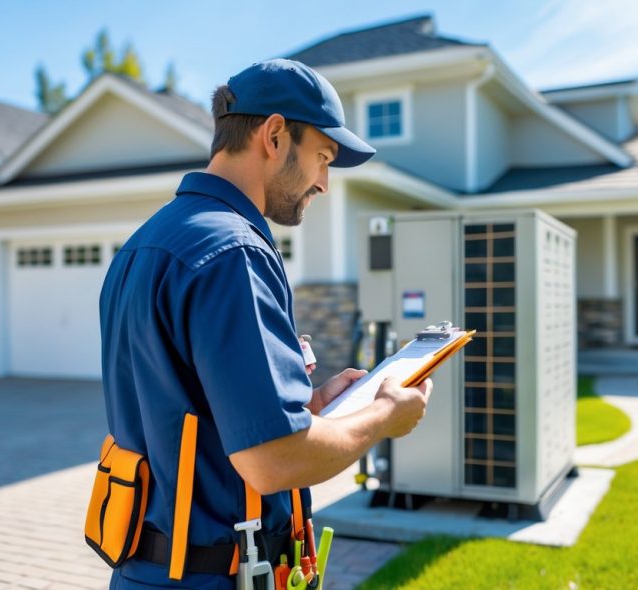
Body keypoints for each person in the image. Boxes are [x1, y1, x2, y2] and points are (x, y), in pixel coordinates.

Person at [99, 58, 432, 589]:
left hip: (148, 572)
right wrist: (383, 418)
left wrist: (312, 410)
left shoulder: (145, 244)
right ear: (274, 135)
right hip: (214, 577)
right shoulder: (234, 252)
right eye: (323, 157)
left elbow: (194, 409)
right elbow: (272, 461)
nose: (324, 182)